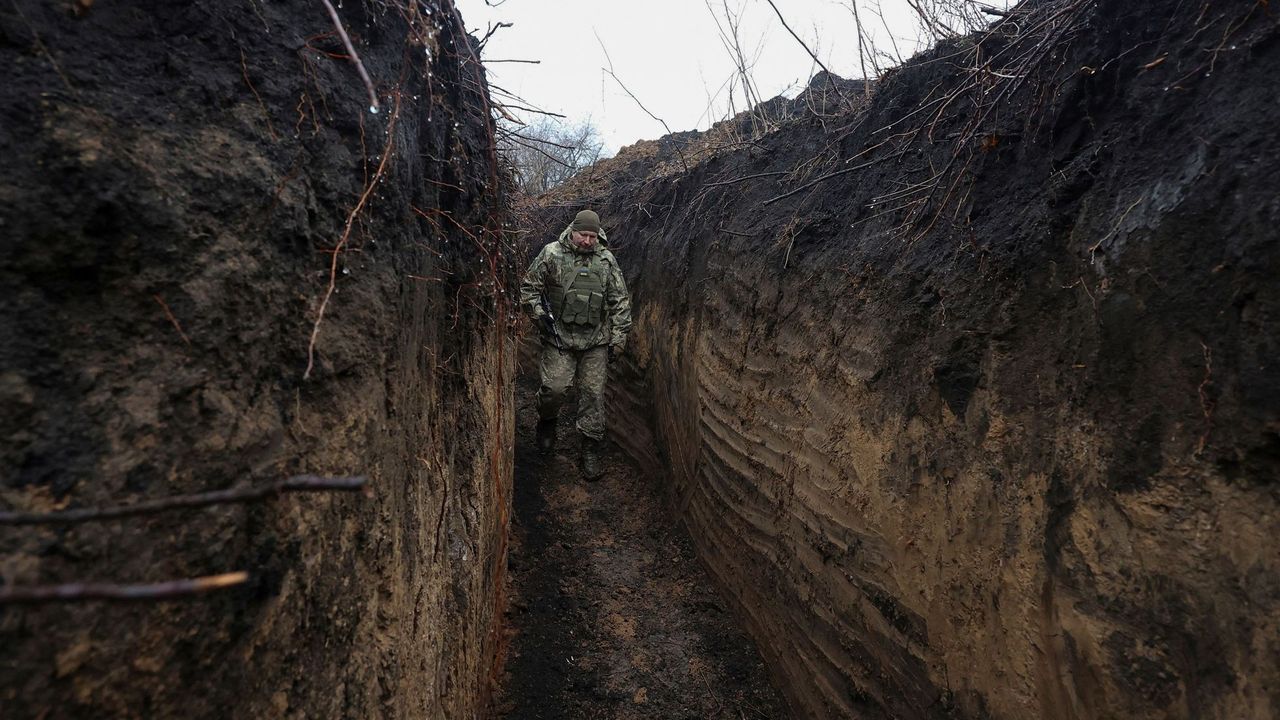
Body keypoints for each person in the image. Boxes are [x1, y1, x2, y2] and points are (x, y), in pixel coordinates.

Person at [519, 209, 632, 480]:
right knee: (554, 389)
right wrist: (539, 315)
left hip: (595, 340)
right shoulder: (551, 254)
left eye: (593, 236)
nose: (588, 241)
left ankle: (590, 449)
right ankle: (547, 422)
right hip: (560, 338)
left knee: (592, 394)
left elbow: (620, 301)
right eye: (584, 235)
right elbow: (529, 289)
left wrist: (618, 338)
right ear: (573, 231)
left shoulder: (606, 260)